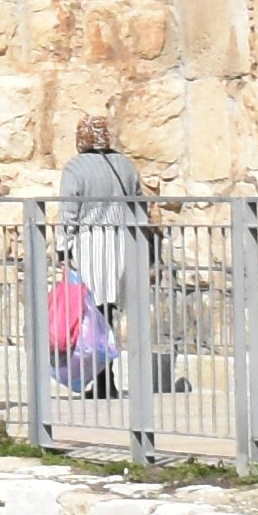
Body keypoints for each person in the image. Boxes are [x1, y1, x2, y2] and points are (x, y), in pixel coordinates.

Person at [56, 114, 153, 399]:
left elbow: (69, 209)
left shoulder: (75, 167)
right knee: (109, 311)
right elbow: (138, 201)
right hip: (124, 241)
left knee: (93, 313)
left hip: (91, 241)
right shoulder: (126, 164)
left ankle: (102, 378)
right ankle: (103, 377)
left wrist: (63, 245)